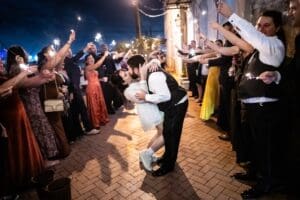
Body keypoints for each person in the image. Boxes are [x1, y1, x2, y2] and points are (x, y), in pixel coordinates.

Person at [218, 2, 286, 198]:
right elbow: (246, 38)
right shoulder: (259, 46)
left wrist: (231, 16)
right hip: (253, 106)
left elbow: (251, 35)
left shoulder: (274, 45)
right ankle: (255, 174)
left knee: (265, 148)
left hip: (265, 108)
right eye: (258, 25)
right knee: (254, 145)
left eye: (266, 25)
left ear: (277, 28)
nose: (260, 29)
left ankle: (266, 184)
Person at [127, 55, 188, 177]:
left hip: (177, 104)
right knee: (167, 133)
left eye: (129, 68)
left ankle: (168, 166)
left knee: (172, 135)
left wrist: (146, 97)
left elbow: (165, 96)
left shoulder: (154, 76)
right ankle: (166, 158)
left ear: (137, 68)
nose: (129, 71)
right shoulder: (149, 70)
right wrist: (153, 62)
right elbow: (154, 61)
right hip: (172, 105)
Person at [117, 64, 164, 172]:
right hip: (149, 112)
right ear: (123, 82)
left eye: (126, 71)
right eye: (125, 74)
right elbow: (144, 97)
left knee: (160, 133)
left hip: (152, 108)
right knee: (166, 133)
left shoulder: (133, 82)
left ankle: (148, 154)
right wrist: (142, 79)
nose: (128, 72)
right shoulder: (127, 91)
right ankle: (147, 154)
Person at [84, 52, 109, 129]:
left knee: (99, 103)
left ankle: (101, 119)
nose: (91, 59)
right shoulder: (87, 68)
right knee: (94, 105)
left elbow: (94, 78)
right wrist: (104, 55)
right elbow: (98, 64)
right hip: (91, 88)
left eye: (92, 58)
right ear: (86, 61)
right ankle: (95, 123)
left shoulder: (93, 69)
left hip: (98, 88)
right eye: (89, 58)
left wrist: (101, 79)